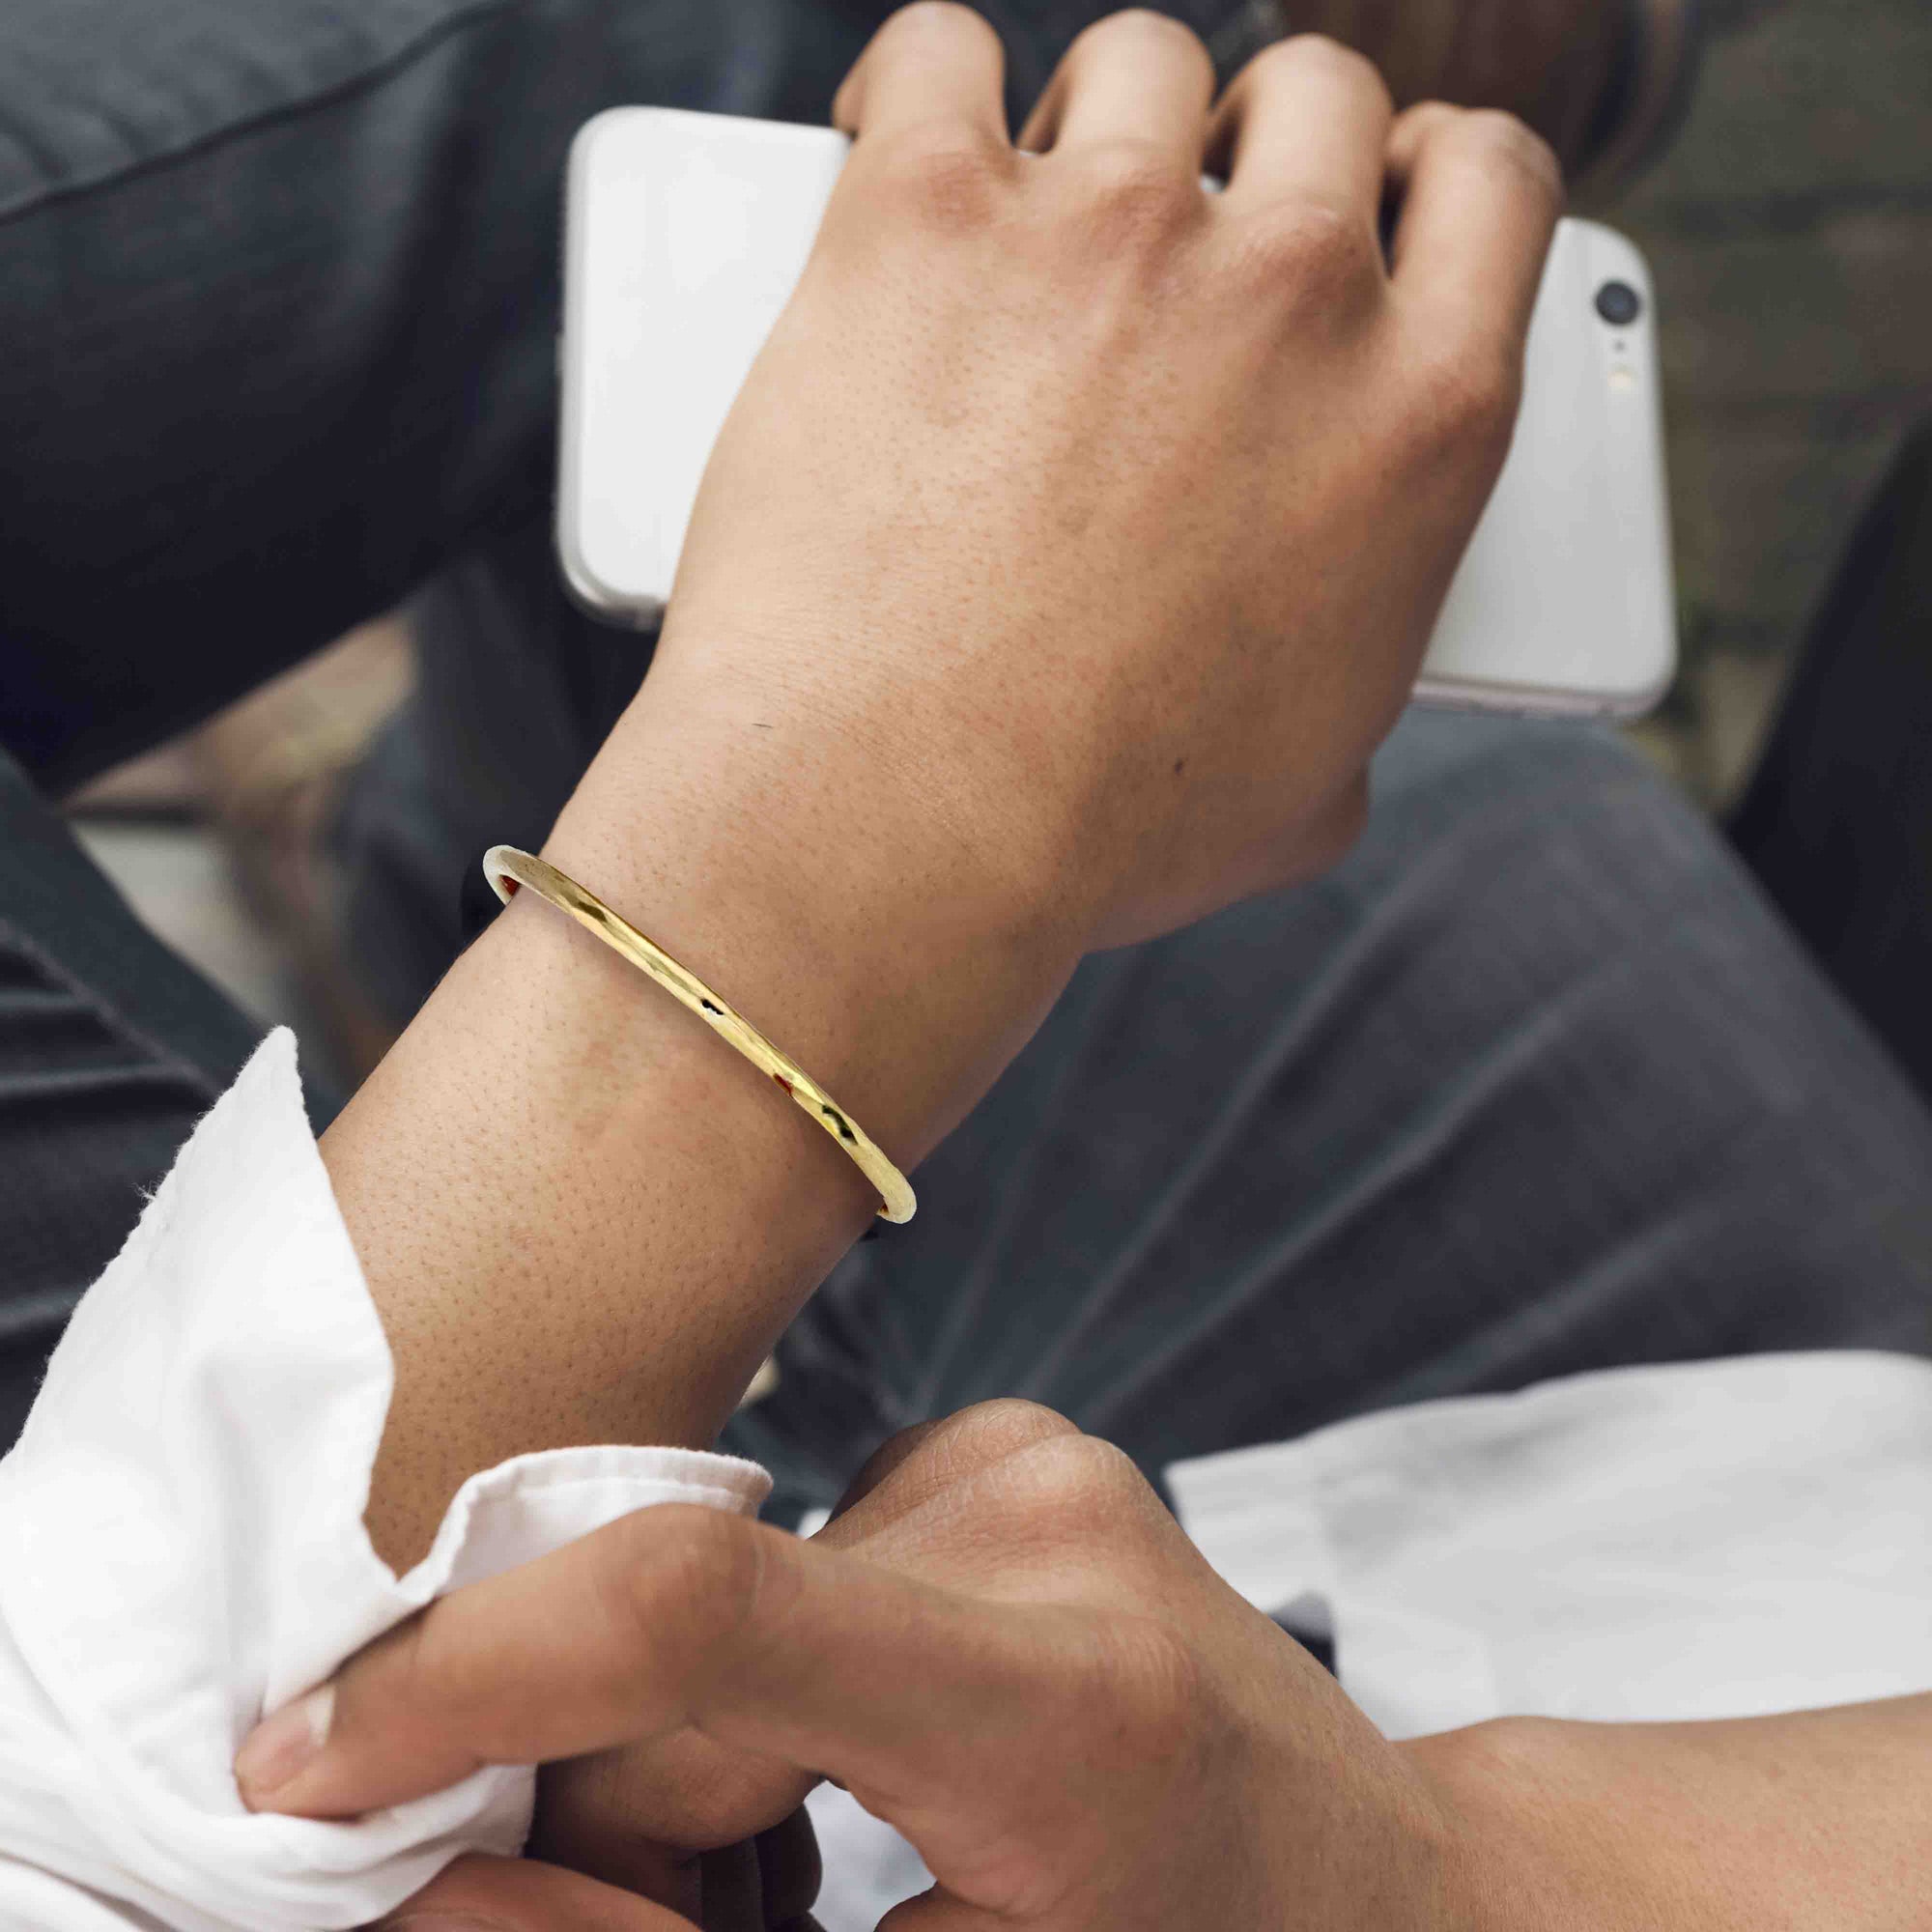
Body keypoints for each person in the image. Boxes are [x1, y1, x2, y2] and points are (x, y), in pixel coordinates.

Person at [2, 7, 1930, 1932]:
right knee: (978, 215)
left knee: (958, 458)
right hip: (1774, 1531)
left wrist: (873, 797)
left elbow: (172, 1790)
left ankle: (441, 893)